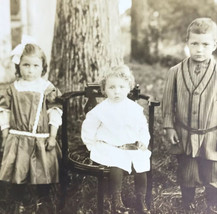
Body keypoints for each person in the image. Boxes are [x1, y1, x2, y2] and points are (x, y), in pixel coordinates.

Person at [0, 35, 62, 213]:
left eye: (36, 66)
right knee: (18, 170)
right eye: (26, 65)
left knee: (43, 170)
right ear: (19, 66)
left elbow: (54, 111)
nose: (30, 70)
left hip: (41, 138)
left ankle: (42, 201)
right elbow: (5, 111)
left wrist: (52, 135)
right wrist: (5, 134)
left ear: (43, 67)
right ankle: (18, 202)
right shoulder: (13, 89)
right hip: (18, 137)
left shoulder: (46, 88)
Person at [162, 18, 217, 213]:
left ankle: (212, 203)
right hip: (185, 133)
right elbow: (168, 104)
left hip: (212, 133)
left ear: (214, 45)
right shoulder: (175, 72)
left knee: (213, 171)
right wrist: (169, 126)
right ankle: (188, 202)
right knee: (187, 170)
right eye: (194, 43)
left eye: (205, 44)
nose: (199, 49)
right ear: (187, 43)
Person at [81, 65, 151, 214]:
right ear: (104, 89)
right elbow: (88, 127)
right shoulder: (101, 110)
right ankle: (116, 201)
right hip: (108, 146)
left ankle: (140, 200)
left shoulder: (134, 108)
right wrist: (90, 145)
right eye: (112, 87)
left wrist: (143, 140)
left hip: (130, 146)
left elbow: (142, 127)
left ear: (128, 88)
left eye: (121, 87)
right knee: (117, 165)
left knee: (142, 165)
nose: (117, 91)